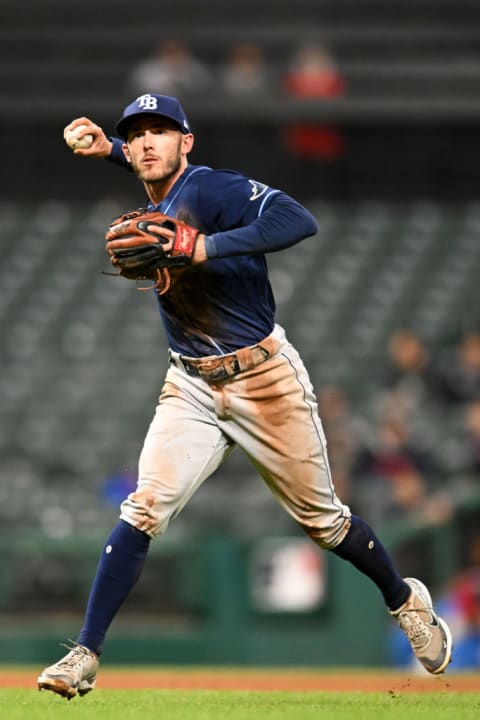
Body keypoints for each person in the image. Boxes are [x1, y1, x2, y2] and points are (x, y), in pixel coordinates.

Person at [37, 93, 452, 699]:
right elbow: (148, 165)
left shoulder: (210, 188)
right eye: (137, 133)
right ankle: (84, 654)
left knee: (325, 523)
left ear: (188, 141)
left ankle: (403, 598)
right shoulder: (160, 185)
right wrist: (110, 150)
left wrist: (202, 248)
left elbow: (297, 220)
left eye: (161, 131)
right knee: (144, 506)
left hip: (264, 380)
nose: (147, 142)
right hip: (191, 383)